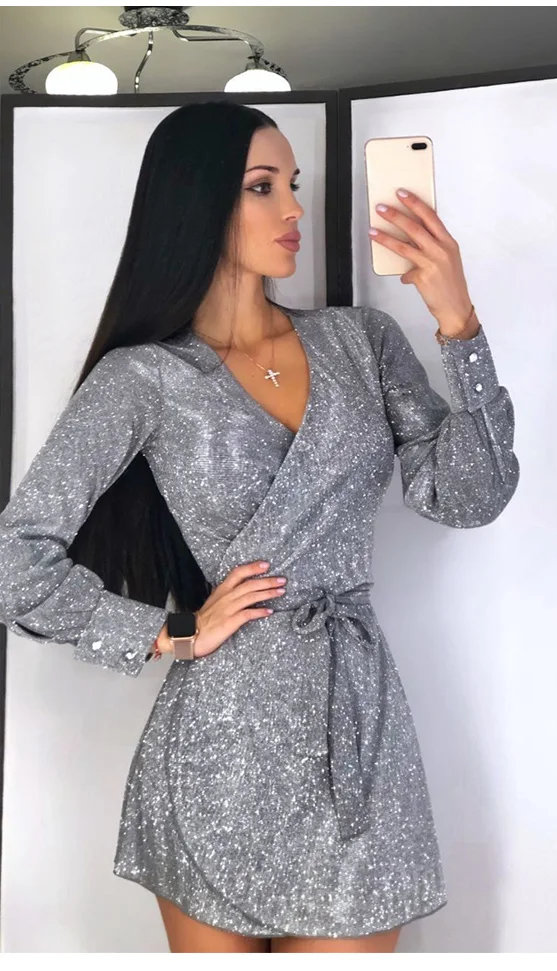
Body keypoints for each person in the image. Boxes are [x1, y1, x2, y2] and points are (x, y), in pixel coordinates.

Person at [0, 101, 520, 953]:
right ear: (197, 201)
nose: (294, 208)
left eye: (294, 184)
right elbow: (14, 561)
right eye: (263, 186)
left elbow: (469, 496)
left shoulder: (362, 342)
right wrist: (172, 631)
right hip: (219, 750)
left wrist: (458, 324)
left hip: (357, 736)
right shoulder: (144, 378)